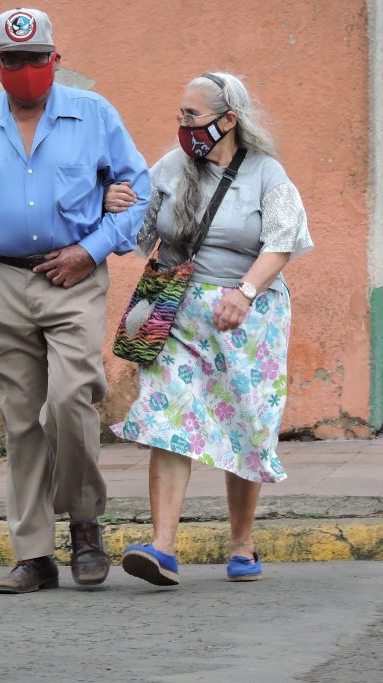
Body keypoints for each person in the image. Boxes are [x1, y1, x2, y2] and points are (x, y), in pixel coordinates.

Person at [0, 8, 150, 594]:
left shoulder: (93, 115)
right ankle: (35, 555)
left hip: (74, 280)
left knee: (71, 399)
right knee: (22, 422)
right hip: (1, 283)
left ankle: (86, 522)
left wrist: (92, 249)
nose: (25, 71)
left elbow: (142, 194)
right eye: (13, 62)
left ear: (56, 60)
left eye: (36, 60)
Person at [105, 72, 312, 586]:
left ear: (228, 120)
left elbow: (281, 242)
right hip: (175, 312)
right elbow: (140, 230)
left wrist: (244, 293)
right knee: (166, 414)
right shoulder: (171, 168)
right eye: (180, 115)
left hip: (248, 314)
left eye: (192, 116)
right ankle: (162, 548)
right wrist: (114, 204)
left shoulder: (267, 174)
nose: (183, 125)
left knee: (245, 421)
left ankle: (241, 544)